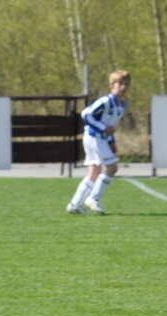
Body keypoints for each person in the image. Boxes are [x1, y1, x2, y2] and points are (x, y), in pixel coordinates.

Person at [66, 69, 130, 215]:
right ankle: (93, 198)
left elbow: (111, 125)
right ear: (112, 84)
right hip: (94, 137)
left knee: (94, 172)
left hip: (100, 139)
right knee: (112, 168)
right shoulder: (106, 101)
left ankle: (74, 204)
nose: (123, 87)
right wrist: (102, 128)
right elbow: (86, 114)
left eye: (126, 84)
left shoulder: (122, 105)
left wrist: (111, 141)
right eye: (120, 83)